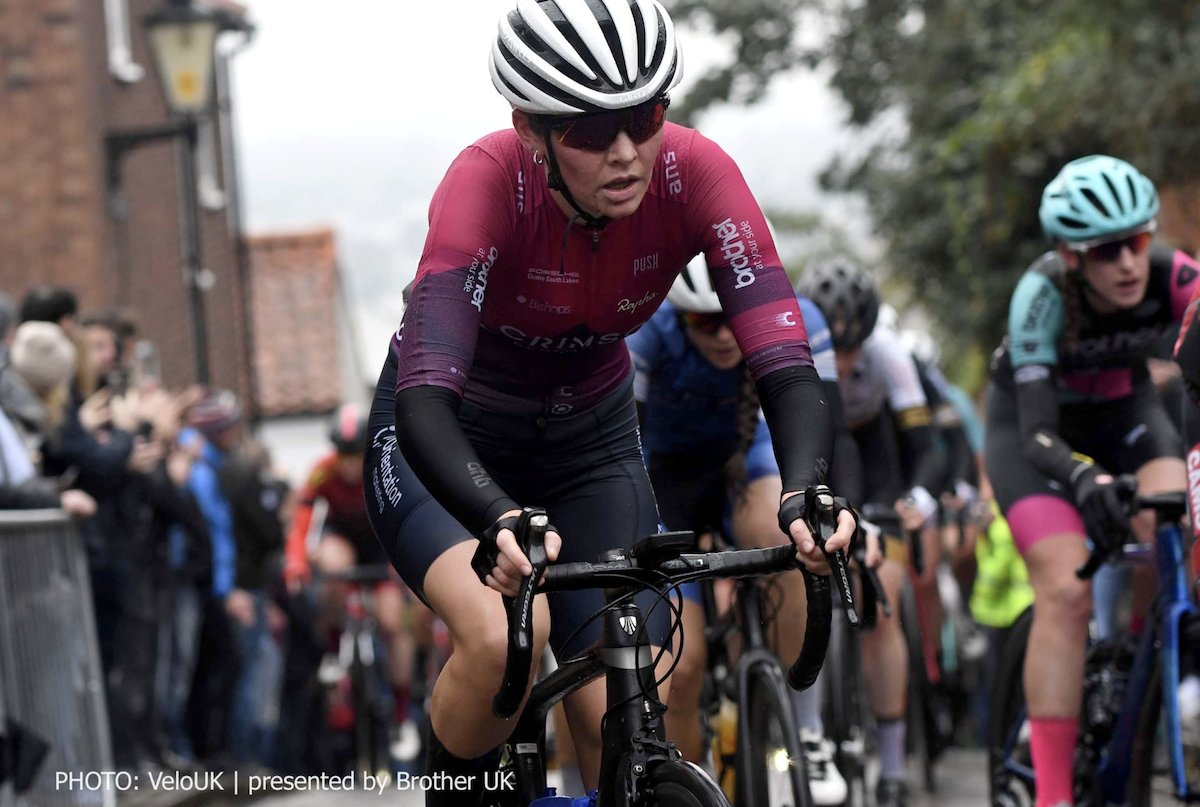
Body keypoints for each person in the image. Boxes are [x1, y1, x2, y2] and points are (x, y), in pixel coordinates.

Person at [363, 2, 857, 802]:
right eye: (591, 132)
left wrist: (804, 487)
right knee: (503, 641)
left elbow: (785, 363)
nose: (626, 152)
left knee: (625, 697)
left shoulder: (695, 172)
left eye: (645, 116)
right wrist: (493, 514)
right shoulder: (486, 181)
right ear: (532, 128)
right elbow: (424, 399)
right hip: (449, 443)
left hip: (590, 444)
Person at [984, 154, 1196, 807]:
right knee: (1066, 587)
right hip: (1036, 435)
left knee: (1175, 523)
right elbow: (1038, 433)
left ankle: (1141, 649)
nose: (1129, 263)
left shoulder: (1175, 273)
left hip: (1127, 416)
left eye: (1137, 241)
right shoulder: (1040, 295)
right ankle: (1051, 791)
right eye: (1107, 252)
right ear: (1072, 256)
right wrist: (1085, 478)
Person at [628, 255, 854, 804]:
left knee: (782, 529)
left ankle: (806, 730)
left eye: (731, 315)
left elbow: (831, 430)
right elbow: (623, 446)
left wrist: (837, 511)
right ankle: (691, 783)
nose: (725, 333)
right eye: (706, 322)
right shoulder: (644, 331)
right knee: (681, 671)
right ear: (680, 319)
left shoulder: (797, 318)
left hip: (747, 463)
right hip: (666, 480)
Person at [798, 257, 946, 806]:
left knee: (882, 596)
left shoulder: (890, 354)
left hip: (880, 453)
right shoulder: (800, 346)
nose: (846, 359)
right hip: (822, 442)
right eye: (836, 349)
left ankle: (890, 762)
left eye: (854, 347)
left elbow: (926, 446)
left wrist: (917, 499)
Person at [283, 402, 422, 762]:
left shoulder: (382, 469)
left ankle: (402, 713)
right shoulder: (322, 472)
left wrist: (404, 564)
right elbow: (302, 520)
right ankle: (333, 647)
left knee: (393, 623)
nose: (347, 462)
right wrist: (296, 563)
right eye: (341, 453)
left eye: (354, 453)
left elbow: (406, 517)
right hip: (342, 540)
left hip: (378, 544)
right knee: (331, 562)